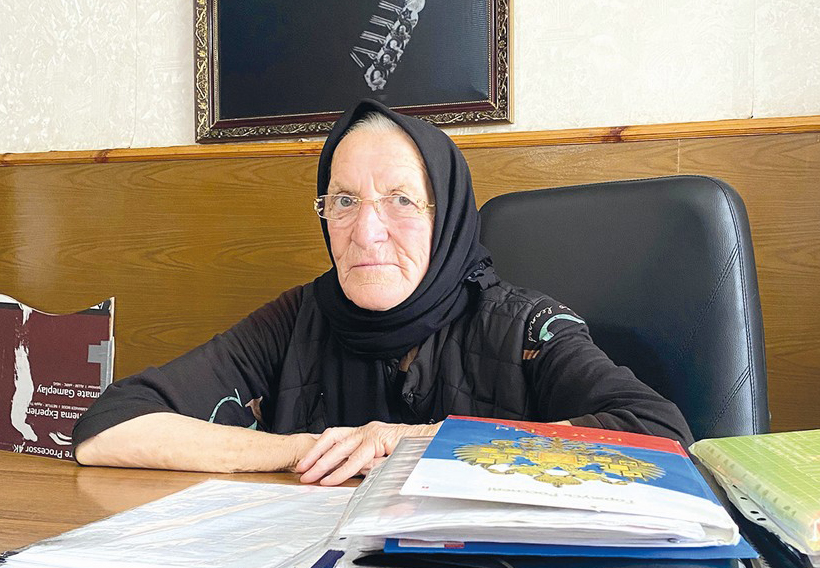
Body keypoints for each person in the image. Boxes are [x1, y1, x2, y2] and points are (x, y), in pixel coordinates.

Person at [72, 99, 692, 485]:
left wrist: (405, 440)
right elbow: (109, 428)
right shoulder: (300, 316)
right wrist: (301, 450)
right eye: (344, 200)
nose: (365, 231)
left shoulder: (523, 326)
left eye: (400, 200)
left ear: (447, 217)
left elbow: (660, 435)